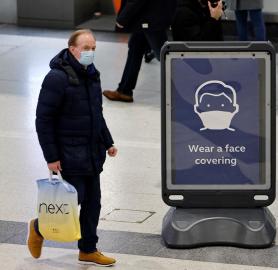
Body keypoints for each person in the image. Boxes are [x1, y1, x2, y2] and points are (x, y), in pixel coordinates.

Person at [28, 29, 118, 266]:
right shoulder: (57, 78)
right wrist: (51, 156)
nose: (90, 52)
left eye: (94, 48)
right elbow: (43, 119)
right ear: (72, 49)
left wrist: (107, 141)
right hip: (69, 153)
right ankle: (38, 228)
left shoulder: (92, 74)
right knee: (68, 204)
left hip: (91, 151)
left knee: (93, 203)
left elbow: (96, 113)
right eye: (86, 48)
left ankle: (88, 249)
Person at [102, 0, 177, 102]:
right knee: (135, 48)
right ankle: (124, 91)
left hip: (151, 17)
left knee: (165, 57)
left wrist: (123, 18)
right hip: (149, 16)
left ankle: (187, 89)